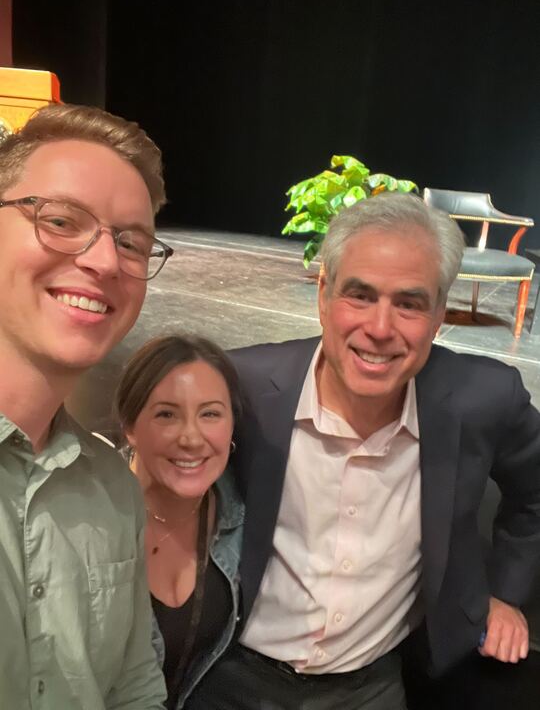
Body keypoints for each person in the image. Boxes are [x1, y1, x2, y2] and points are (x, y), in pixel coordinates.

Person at [186, 192, 540, 710]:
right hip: (229, 673)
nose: (379, 329)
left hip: (371, 687)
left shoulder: (484, 399)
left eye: (409, 304)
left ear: (440, 313)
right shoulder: (242, 388)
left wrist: (505, 592)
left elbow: (535, 493)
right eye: (360, 295)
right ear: (324, 294)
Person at [0, 103, 174, 708]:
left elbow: (133, 684)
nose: (104, 261)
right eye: (61, 220)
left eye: (130, 242)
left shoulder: (114, 490)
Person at [115, 334, 244, 709]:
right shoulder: (88, 522)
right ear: (130, 425)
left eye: (210, 413)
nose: (191, 438)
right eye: (166, 414)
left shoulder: (239, 514)